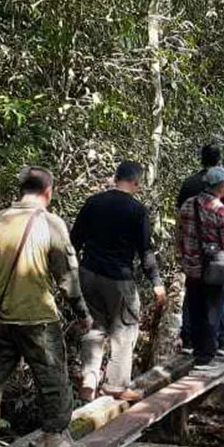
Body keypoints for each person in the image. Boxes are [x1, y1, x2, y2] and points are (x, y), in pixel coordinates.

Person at [0, 166, 91, 447]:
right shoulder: (52, 223)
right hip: (38, 318)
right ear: (48, 191)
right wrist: (82, 312)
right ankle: (56, 442)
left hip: (1, 317)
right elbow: (67, 277)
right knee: (52, 380)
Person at [70, 160, 165, 403]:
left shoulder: (94, 202)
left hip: (88, 274)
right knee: (125, 331)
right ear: (135, 182)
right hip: (118, 278)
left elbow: (74, 239)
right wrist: (156, 281)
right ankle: (115, 386)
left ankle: (90, 376)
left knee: (94, 327)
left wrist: (71, 273)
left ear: (116, 177)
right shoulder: (137, 210)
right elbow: (145, 251)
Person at [175, 142, 224, 352]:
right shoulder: (222, 210)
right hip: (217, 262)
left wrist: (182, 253)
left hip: (192, 259)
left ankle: (189, 340)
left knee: (193, 298)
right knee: (221, 298)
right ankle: (222, 341)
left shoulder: (188, 192)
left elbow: (181, 226)